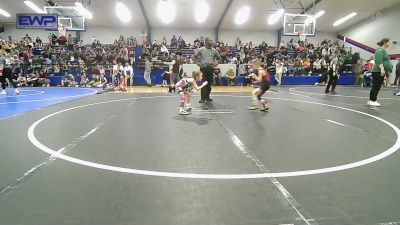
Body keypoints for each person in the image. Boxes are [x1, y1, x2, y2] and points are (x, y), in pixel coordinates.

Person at [193, 37, 220, 103]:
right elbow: (193, 57)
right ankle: (202, 98)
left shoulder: (214, 50)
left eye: (212, 40)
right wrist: (199, 64)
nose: (212, 41)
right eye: (210, 40)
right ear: (206, 42)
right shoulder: (201, 50)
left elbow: (219, 58)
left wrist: (216, 63)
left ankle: (207, 97)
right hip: (203, 68)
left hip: (210, 68)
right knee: (203, 83)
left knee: (209, 84)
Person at [368, 38, 393, 107]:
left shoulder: (382, 50)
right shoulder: (380, 50)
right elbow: (378, 60)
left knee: (376, 86)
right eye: (388, 42)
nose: (389, 43)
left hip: (379, 71)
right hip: (377, 71)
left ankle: (371, 100)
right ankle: (373, 100)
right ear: (385, 42)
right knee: (376, 86)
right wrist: (382, 69)